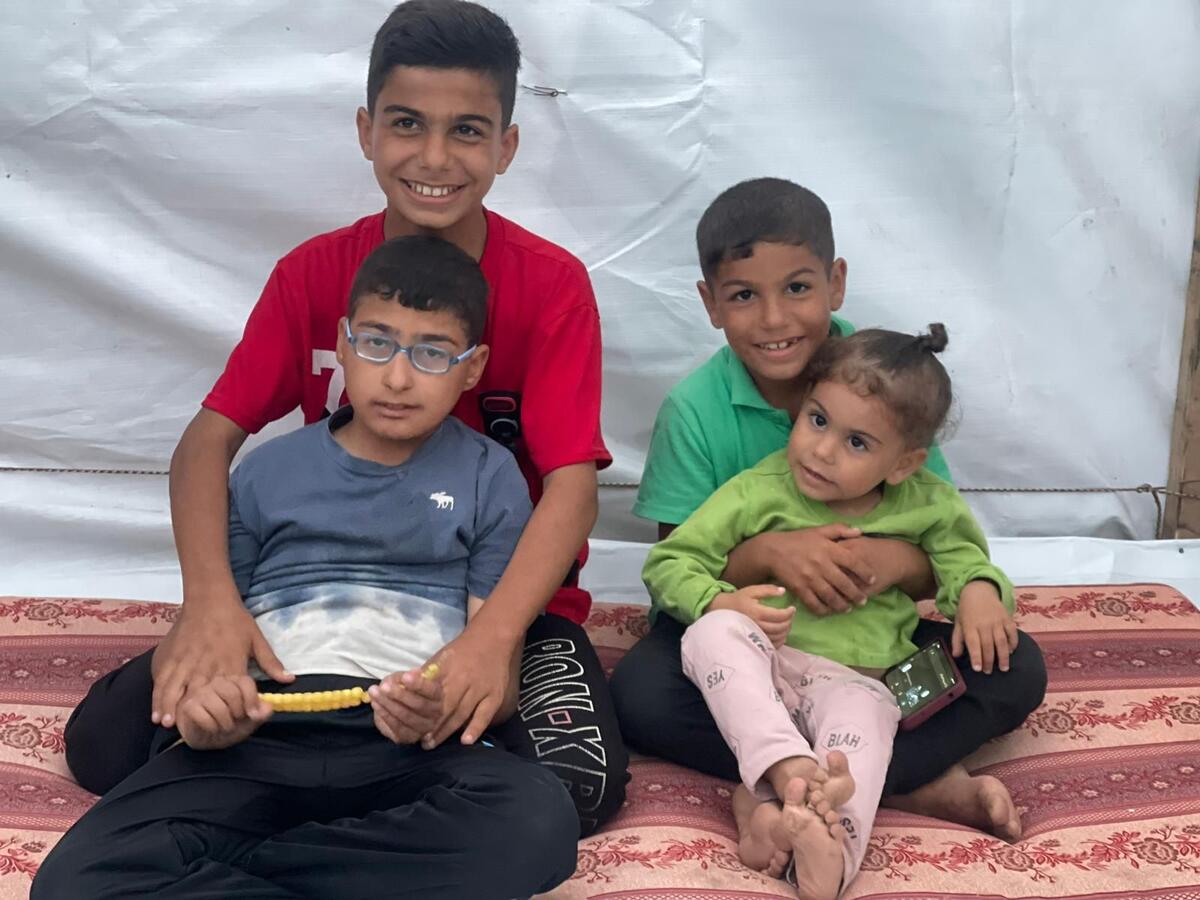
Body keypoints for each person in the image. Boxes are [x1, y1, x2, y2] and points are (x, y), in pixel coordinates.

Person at [63, 0, 628, 834]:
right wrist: (213, 605)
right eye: (407, 123)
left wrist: (493, 640)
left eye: (467, 130)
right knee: (106, 746)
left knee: (578, 789)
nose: (434, 157)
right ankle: (337, 785)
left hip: (490, 598)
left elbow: (572, 489)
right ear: (366, 130)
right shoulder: (312, 274)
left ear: (507, 146)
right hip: (313, 596)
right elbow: (205, 445)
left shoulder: (550, 286)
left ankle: (352, 789)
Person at [33, 236, 579, 899]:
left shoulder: (491, 478)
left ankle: (246, 869)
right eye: (376, 344)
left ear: (473, 368)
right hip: (260, 733)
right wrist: (210, 710)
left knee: (539, 823)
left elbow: (494, 668)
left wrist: (436, 706)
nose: (399, 376)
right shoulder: (267, 470)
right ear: (342, 346)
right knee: (73, 880)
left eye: (433, 354)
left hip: (405, 742)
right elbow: (215, 638)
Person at [611, 178, 1045, 837]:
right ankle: (905, 782)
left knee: (1012, 667)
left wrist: (891, 563)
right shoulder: (696, 411)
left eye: (797, 288)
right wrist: (770, 554)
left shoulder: (892, 383)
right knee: (642, 691)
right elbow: (679, 572)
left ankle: (818, 779)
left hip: (875, 659)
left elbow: (942, 551)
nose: (776, 319)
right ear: (711, 304)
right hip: (759, 648)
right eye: (743, 296)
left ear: (835, 283)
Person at [643, 324, 1019, 899]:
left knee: (871, 733)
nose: (821, 450)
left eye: (857, 443)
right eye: (817, 420)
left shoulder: (928, 504)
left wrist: (979, 590)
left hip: (858, 684)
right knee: (710, 635)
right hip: (762, 671)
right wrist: (720, 599)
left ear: (904, 463)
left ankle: (816, 851)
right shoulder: (758, 490)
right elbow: (671, 562)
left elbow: (964, 559)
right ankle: (799, 771)